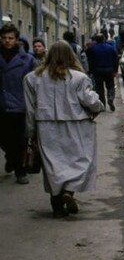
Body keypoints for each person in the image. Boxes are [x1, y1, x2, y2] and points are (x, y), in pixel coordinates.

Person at [23, 40, 104, 216]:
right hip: (77, 124)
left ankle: (57, 207)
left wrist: (30, 133)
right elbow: (90, 101)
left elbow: (30, 109)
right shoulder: (79, 78)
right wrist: (99, 106)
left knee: (53, 165)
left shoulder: (32, 78)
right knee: (80, 159)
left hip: (45, 126)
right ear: (71, 56)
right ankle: (69, 191)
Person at [1, 23, 38, 184]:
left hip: (20, 106)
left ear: (17, 40)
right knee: (4, 139)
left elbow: (36, 83)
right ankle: (10, 157)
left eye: (10, 38)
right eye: (4, 38)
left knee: (21, 140)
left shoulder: (28, 60)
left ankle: (20, 171)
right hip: (1, 106)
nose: (7, 41)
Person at [84, 33, 119, 111]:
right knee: (110, 86)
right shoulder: (110, 48)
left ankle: (102, 105)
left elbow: (90, 61)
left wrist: (90, 71)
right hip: (109, 70)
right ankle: (110, 98)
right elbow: (115, 59)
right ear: (104, 39)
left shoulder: (92, 49)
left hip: (97, 70)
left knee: (99, 88)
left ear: (96, 40)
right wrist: (115, 70)